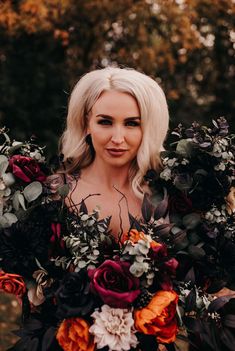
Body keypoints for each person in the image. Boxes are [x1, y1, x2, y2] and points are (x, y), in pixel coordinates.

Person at [57, 66, 169, 240]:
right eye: (105, 122)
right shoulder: (56, 195)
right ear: (86, 123)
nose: (117, 138)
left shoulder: (171, 197)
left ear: (148, 129)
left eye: (131, 124)